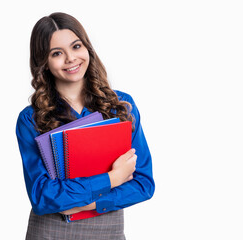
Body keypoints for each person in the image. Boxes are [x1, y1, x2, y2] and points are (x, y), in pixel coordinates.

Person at [16, 12, 155, 240]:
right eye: (57, 53)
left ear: (87, 48)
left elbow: (143, 184)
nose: (71, 58)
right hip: (51, 232)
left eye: (76, 46)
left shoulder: (121, 108)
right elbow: (42, 197)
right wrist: (112, 178)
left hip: (107, 231)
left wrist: (83, 204)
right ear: (44, 63)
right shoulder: (31, 118)